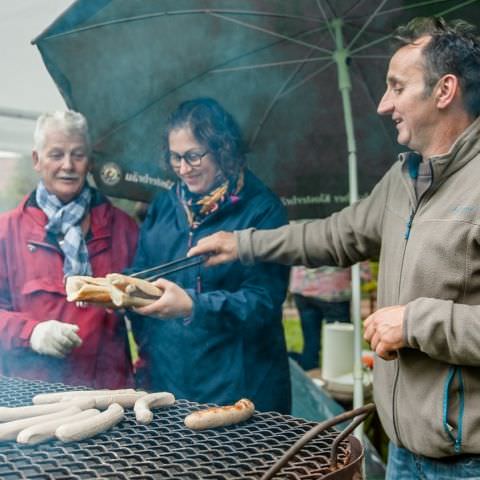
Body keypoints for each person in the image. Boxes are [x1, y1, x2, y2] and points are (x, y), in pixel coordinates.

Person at [188, 17, 480, 478]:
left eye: (397, 87)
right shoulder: (404, 179)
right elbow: (334, 235)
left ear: (444, 91)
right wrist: (241, 243)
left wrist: (416, 321)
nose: (385, 105)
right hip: (405, 453)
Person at [130, 97, 291, 413]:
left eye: (193, 156)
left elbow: (264, 302)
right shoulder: (164, 205)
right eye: (175, 158)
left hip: (240, 389)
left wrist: (193, 305)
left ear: (222, 149)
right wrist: (121, 292)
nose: (183, 169)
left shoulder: (262, 209)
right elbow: (144, 270)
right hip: (170, 381)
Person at [0, 110, 138, 388]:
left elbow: (149, 316)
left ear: (90, 162)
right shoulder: (6, 231)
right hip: (32, 396)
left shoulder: (124, 229)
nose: (68, 165)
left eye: (78, 154)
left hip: (107, 394)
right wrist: (33, 332)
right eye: (56, 154)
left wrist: (145, 379)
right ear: (37, 160)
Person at [289, 265, 351, 370]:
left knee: (310, 339)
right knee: (339, 340)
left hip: (303, 286)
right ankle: (338, 373)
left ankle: (311, 372)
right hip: (333, 288)